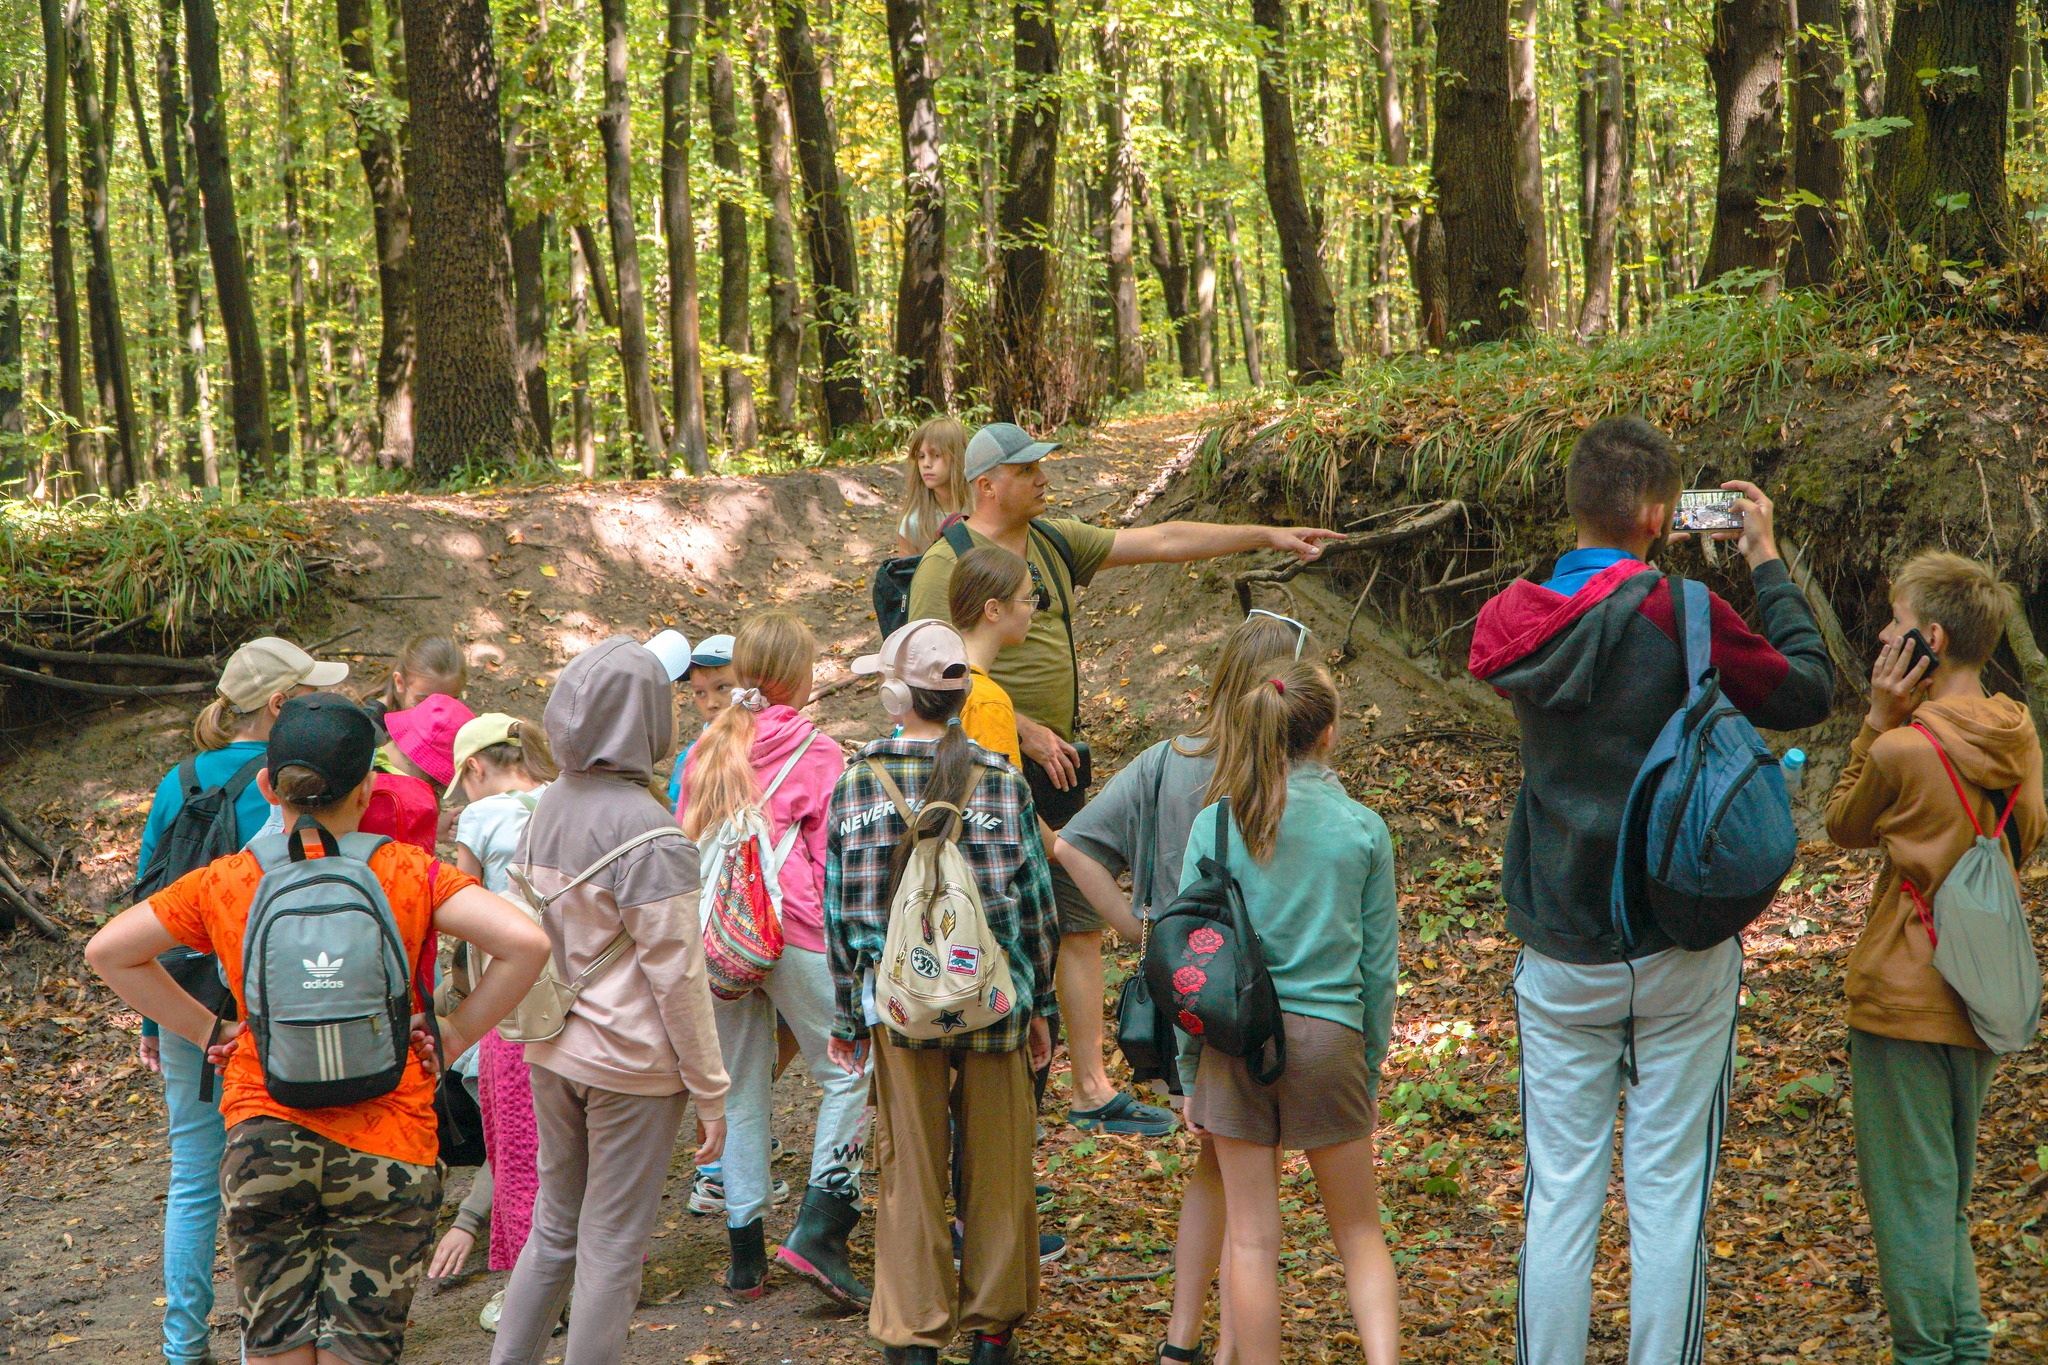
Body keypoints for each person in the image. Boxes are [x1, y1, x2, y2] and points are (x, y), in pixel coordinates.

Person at [1467, 416, 1834, 1364]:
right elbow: (1805, 689)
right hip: (1679, 940)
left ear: (1575, 505)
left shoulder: (1509, 619)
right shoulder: (1682, 613)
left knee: (1560, 1196)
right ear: (1665, 514)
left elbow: (1576, 618)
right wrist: (1765, 561)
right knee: (1669, 1194)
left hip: (1560, 945)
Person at [902, 420, 1338, 1138]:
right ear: (987, 484)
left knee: (1077, 924)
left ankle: (1091, 1087)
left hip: (1061, 767)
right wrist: (1022, 731)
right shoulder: (945, 565)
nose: (1045, 477)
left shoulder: (1053, 541)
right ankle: (994, 1116)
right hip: (990, 769)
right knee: (1002, 932)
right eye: (1028, 469)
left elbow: (1161, 542)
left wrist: (1268, 535)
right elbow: (927, 684)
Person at [86, 694, 551, 1365]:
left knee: (275, 1346)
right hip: (391, 1144)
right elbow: (525, 943)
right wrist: (454, 1032)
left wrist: (210, 1029)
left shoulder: (229, 880)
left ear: (269, 786)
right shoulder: (409, 872)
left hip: (264, 1136)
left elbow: (109, 951)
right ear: (367, 790)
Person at [1054, 610, 1308, 1365]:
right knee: (1243, 1177)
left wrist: (1144, 930)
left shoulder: (1166, 760)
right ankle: (1227, 1344)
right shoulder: (1286, 770)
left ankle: (1184, 1339)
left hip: (1186, 1003)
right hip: (1257, 1002)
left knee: (1218, 1168)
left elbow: (1072, 845)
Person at [1823, 552, 2044, 1365]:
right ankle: (1966, 1349)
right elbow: (2028, 835)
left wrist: (1880, 714)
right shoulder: (2020, 737)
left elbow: (1842, 822)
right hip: (1983, 989)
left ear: (1932, 636)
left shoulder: (1903, 748)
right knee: (1945, 1196)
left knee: (1910, 1202)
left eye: (1894, 620)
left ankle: (1927, 1355)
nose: (1883, 633)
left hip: (1903, 996)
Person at [489, 636, 730, 1365]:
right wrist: (711, 1091)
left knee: (555, 1229)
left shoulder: (544, 805)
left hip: (551, 1046)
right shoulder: (652, 830)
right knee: (614, 1243)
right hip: (631, 1064)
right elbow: (680, 976)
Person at [824, 620, 1059, 1365]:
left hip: (899, 1013)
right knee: (998, 1166)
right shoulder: (1003, 777)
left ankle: (915, 1333)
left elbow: (841, 914)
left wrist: (848, 1016)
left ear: (896, 692)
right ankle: (993, 1331)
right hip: (994, 1005)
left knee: (909, 1173)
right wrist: (1041, 1006)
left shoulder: (857, 779)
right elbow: (1036, 910)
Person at [1174, 661, 1400, 1365]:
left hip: (1235, 1044)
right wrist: (1370, 1056)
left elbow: (1187, 962)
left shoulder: (1216, 824)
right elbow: (1377, 968)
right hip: (1330, 1039)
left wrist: (1190, 1072)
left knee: (1249, 1240)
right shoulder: (1363, 829)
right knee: (1360, 1230)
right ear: (1328, 733)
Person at [134, 637, 350, 1365]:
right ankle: (303, 1333)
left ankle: (182, 1347)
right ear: (281, 705)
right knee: (300, 1172)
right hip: (285, 1004)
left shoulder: (182, 779)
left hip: (189, 1003)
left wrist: (154, 1017)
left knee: (194, 1180)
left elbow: (151, 909)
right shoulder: (294, 779)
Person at [674, 611, 865, 1304]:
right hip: (795, 933)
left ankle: (745, 1255)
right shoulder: (818, 749)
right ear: (800, 677)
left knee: (742, 1085)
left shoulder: (707, 748)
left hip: (720, 937)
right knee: (851, 1069)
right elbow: (834, 865)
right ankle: (821, 1220)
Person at [426, 714, 560, 1331]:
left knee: (516, 1144)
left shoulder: (480, 816)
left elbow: (460, 905)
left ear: (474, 769)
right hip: (574, 990)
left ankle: (531, 1291)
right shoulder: (562, 798)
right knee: (569, 1142)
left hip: (511, 999)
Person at [946, 544, 1035, 771]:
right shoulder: (986, 702)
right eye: (1026, 600)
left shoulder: (931, 677)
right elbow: (1003, 798)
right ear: (993, 610)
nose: (1032, 610)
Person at [895, 415, 971, 556]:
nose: (926, 464)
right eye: (921, 456)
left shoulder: (980, 508)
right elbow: (908, 575)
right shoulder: (913, 522)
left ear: (958, 457)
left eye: (936, 455)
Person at [367, 633, 469, 726]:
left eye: (448, 703)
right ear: (400, 682)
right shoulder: (370, 723)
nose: (435, 718)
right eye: (422, 702)